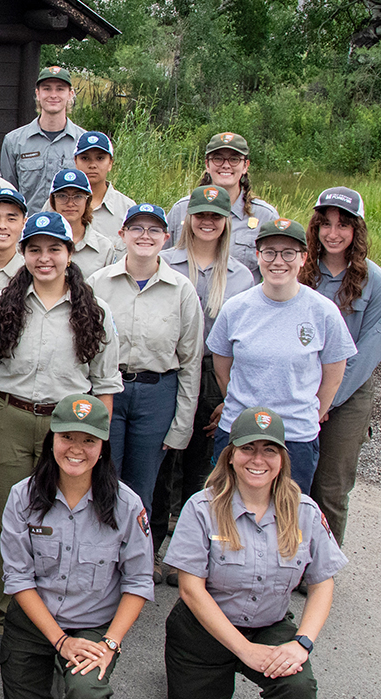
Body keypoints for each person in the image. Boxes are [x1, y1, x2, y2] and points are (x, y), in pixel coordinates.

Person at [163, 408, 347, 699]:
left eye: (270, 450)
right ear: (230, 454)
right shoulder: (202, 508)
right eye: (248, 448)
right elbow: (191, 590)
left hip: (269, 623)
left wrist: (301, 643)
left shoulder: (305, 512)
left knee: (298, 687)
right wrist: (244, 651)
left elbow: (322, 585)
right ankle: (183, 680)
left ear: (283, 459)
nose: (258, 459)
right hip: (204, 630)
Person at [0, 211, 122, 662]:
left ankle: (56, 618)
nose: (44, 258)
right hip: (8, 418)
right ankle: (0, 618)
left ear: (69, 252)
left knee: (58, 522)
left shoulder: (94, 310)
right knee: (4, 524)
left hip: (69, 425)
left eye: (54, 248)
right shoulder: (2, 303)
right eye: (34, 249)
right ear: (24, 252)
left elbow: (106, 385)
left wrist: (97, 444)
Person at [0, 394, 153, 699]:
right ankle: (49, 672)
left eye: (89, 441)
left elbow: (138, 583)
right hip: (36, 623)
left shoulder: (126, 504)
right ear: (52, 439)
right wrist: (60, 642)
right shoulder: (23, 497)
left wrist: (109, 645)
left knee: (86, 693)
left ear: (103, 446)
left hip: (94, 624)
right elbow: (18, 579)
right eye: (67, 437)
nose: (77, 450)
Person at [152, 185, 256, 581]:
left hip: (216, 371)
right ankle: (153, 548)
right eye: (200, 215)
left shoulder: (242, 276)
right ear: (188, 219)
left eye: (216, 215)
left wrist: (230, 395)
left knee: (204, 466)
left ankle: (195, 554)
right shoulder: (166, 262)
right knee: (164, 461)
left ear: (226, 221)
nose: (207, 222)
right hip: (171, 367)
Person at [208, 219, 357, 494]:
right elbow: (222, 369)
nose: (279, 261)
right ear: (258, 256)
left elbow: (333, 376)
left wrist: (308, 414)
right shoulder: (236, 309)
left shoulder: (323, 312)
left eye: (288, 253)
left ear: (303, 258)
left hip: (295, 437)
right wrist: (244, 405)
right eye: (270, 252)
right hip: (238, 433)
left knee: (288, 520)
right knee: (227, 512)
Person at [85, 203, 204, 516]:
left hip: (156, 395)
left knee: (142, 489)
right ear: (122, 234)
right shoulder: (98, 283)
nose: (145, 236)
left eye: (154, 230)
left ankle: (138, 559)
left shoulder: (182, 290)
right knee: (102, 479)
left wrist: (182, 424)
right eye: (136, 228)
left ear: (166, 237)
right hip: (109, 392)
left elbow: (191, 362)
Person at [301, 187, 381, 545]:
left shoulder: (377, 283)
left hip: (348, 395)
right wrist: (311, 397)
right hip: (300, 386)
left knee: (332, 485)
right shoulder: (301, 272)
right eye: (325, 224)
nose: (333, 233)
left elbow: (369, 351)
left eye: (343, 225)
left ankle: (322, 565)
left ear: (357, 230)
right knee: (292, 477)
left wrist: (328, 401)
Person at [165, 133, 279, 283]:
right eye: (218, 158)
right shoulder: (181, 210)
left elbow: (277, 272)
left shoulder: (265, 216)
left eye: (234, 159)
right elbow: (158, 263)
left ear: (245, 166)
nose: (226, 165)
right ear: (207, 164)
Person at [0, 66, 85, 210]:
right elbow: (8, 193)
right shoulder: (14, 142)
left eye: (60, 89)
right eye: (47, 88)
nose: (53, 95)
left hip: (70, 229)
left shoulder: (83, 142)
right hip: (28, 229)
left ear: (70, 94)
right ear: (38, 93)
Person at [47, 168, 118, 277]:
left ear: (87, 201)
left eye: (78, 197)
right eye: (62, 196)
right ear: (53, 201)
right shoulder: (38, 243)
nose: (70, 203)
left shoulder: (104, 248)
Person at [74, 132, 133, 248]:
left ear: (110, 163)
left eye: (100, 158)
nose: (92, 165)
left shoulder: (126, 208)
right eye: (85, 158)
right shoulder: (58, 204)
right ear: (75, 162)